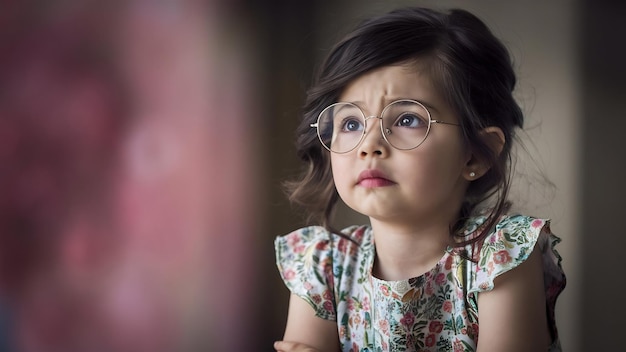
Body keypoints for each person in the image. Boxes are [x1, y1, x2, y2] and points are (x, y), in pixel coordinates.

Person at [273, 6, 565, 352]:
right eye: (351, 123)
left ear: (476, 154)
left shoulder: (501, 257)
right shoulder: (323, 264)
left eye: (408, 119)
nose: (369, 145)